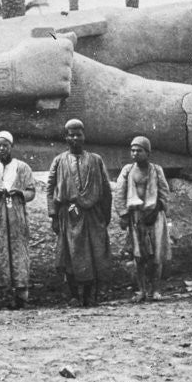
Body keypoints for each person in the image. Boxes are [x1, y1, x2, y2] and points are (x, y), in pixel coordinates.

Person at [47, 119, 113, 307]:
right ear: (65, 137)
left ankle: (89, 295)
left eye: (78, 134)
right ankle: (74, 295)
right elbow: (50, 188)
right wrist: (53, 215)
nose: (75, 138)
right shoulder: (59, 161)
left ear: (84, 136)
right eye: (71, 135)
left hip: (92, 214)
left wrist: (105, 215)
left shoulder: (95, 160)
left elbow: (106, 189)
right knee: (70, 253)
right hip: (68, 214)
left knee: (94, 253)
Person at [0, 131, 36, 310]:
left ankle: (20, 296)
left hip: (15, 217)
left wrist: (20, 193)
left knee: (18, 251)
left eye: (5, 145)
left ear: (11, 146)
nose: (2, 149)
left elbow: (31, 191)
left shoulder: (23, 167)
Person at [115, 135, 172, 302]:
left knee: (157, 256)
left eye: (139, 150)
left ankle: (155, 290)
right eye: (132, 150)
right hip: (136, 217)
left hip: (155, 217)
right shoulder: (127, 170)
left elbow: (164, 193)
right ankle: (141, 290)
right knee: (138, 256)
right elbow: (120, 193)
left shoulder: (156, 170)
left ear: (148, 153)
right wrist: (124, 215)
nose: (134, 153)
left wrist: (156, 209)